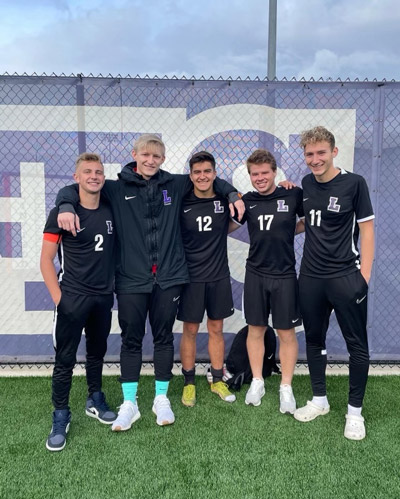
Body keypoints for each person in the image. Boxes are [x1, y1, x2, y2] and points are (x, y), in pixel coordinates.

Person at [56, 135, 244, 430]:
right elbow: (77, 186)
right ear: (135, 155)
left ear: (163, 159)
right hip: (131, 279)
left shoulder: (175, 184)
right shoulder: (116, 188)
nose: (150, 160)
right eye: (145, 154)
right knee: (131, 340)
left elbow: (211, 181)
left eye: (156, 156)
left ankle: (161, 398)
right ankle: (129, 403)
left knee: (163, 337)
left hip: (168, 278)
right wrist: (65, 204)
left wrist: (232, 194)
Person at [293, 126, 375, 441]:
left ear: (334, 152)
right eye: (310, 154)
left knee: (357, 346)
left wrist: (363, 277)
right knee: (314, 340)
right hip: (310, 278)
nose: (315, 160)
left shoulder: (355, 183)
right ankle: (319, 400)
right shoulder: (305, 184)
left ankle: (355, 413)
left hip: (345, 277)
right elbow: (305, 222)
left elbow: (367, 231)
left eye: (321, 153)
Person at [40, 153, 116, 452]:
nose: (94, 176)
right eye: (87, 172)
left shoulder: (111, 210)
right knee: (65, 360)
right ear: (77, 177)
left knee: (97, 353)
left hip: (102, 297)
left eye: (98, 172)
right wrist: (60, 300)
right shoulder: (61, 213)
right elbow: (46, 260)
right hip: (72, 298)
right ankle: (60, 416)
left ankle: (94, 399)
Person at [231, 149, 303, 413]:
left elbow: (308, 220)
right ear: (249, 176)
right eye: (254, 174)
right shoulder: (247, 200)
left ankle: (286, 386)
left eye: (264, 173)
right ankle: (258, 381)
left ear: (275, 172)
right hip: (256, 275)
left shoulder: (292, 193)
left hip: (284, 274)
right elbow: (227, 220)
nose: (260, 178)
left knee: (286, 332)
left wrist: (287, 231)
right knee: (256, 329)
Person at [178, 151, 236, 407]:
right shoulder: (182, 201)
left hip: (218, 276)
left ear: (214, 174)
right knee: (190, 329)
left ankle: (216, 378)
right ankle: (189, 383)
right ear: (191, 176)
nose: (202, 176)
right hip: (190, 278)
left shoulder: (224, 200)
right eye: (197, 172)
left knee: (216, 329)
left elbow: (234, 222)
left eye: (207, 172)